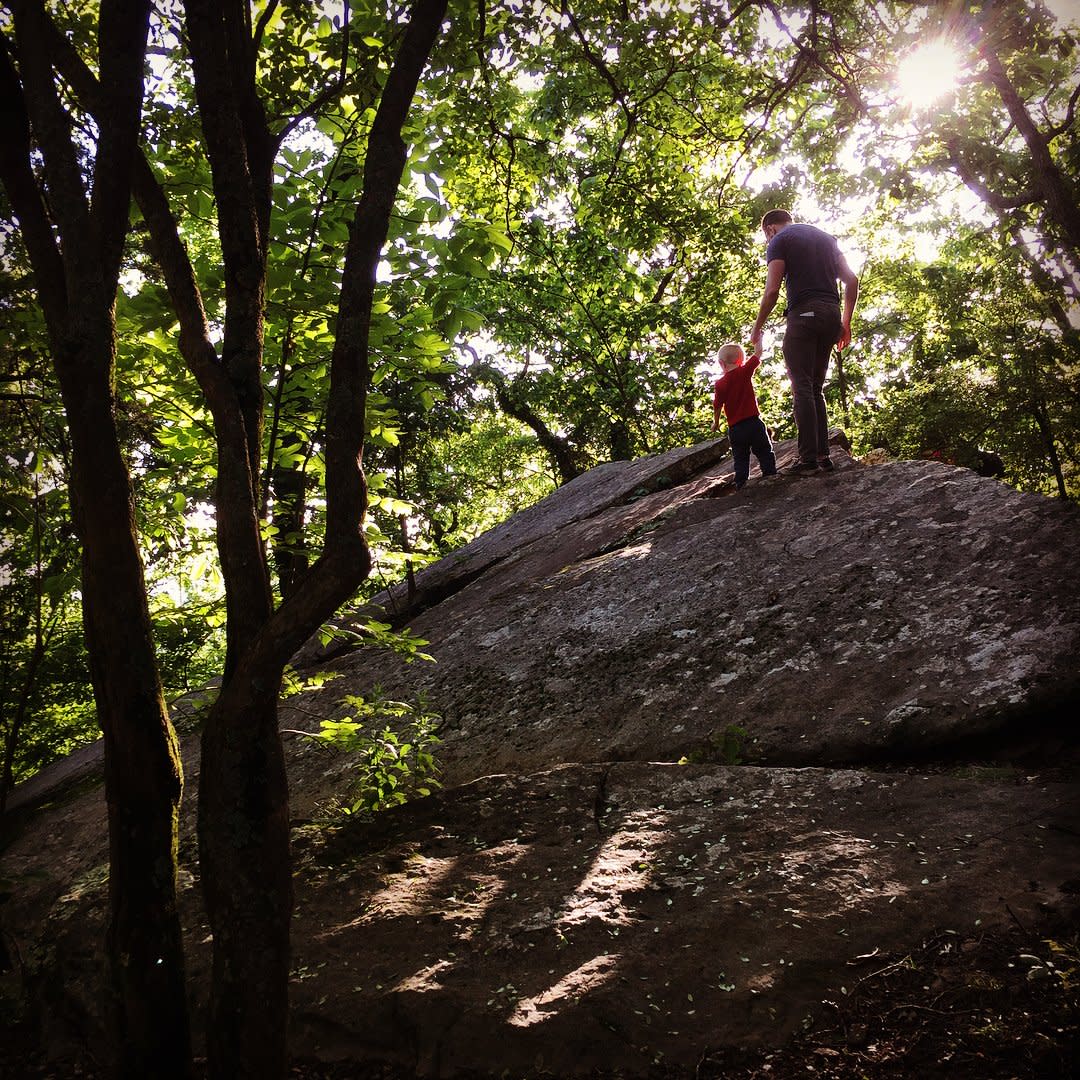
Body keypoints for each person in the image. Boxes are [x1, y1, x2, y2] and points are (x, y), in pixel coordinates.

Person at [749, 209, 858, 475]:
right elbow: (851, 279)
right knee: (816, 388)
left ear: (769, 229)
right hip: (831, 317)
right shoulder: (826, 238)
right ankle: (823, 456)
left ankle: (808, 458)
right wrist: (846, 323)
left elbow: (773, 290)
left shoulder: (779, 241)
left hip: (804, 316)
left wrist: (757, 326)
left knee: (803, 388)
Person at [711, 342, 778, 489]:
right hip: (753, 423)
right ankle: (770, 474)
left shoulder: (720, 384)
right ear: (741, 360)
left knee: (740, 457)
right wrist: (758, 338)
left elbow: (717, 405)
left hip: (735, 428)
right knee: (764, 450)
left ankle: (740, 483)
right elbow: (758, 352)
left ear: (721, 364)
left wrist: (715, 422)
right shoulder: (745, 371)